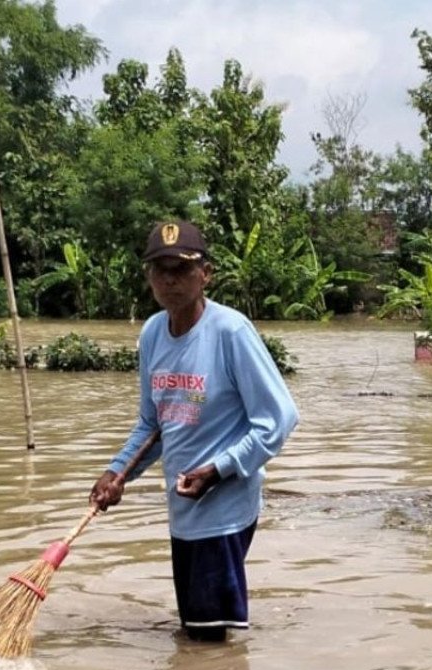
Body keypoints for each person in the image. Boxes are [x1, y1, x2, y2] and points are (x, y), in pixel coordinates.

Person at [90, 220, 299, 642]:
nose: (170, 279)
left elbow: (279, 418)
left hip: (224, 506)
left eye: (182, 268)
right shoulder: (152, 333)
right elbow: (154, 424)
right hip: (183, 506)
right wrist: (117, 473)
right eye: (159, 269)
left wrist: (219, 470)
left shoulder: (230, 331)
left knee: (207, 642)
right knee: (196, 634)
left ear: (206, 274)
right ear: (149, 277)